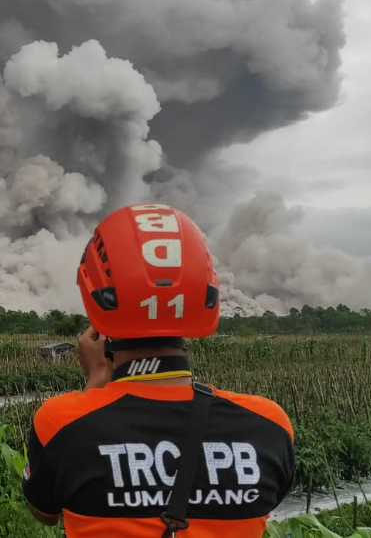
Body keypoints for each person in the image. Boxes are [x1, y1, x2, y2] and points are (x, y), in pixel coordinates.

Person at [23, 203, 295, 537]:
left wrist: (95, 382)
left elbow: (46, 513)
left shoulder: (60, 421)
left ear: (98, 304)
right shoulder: (269, 424)